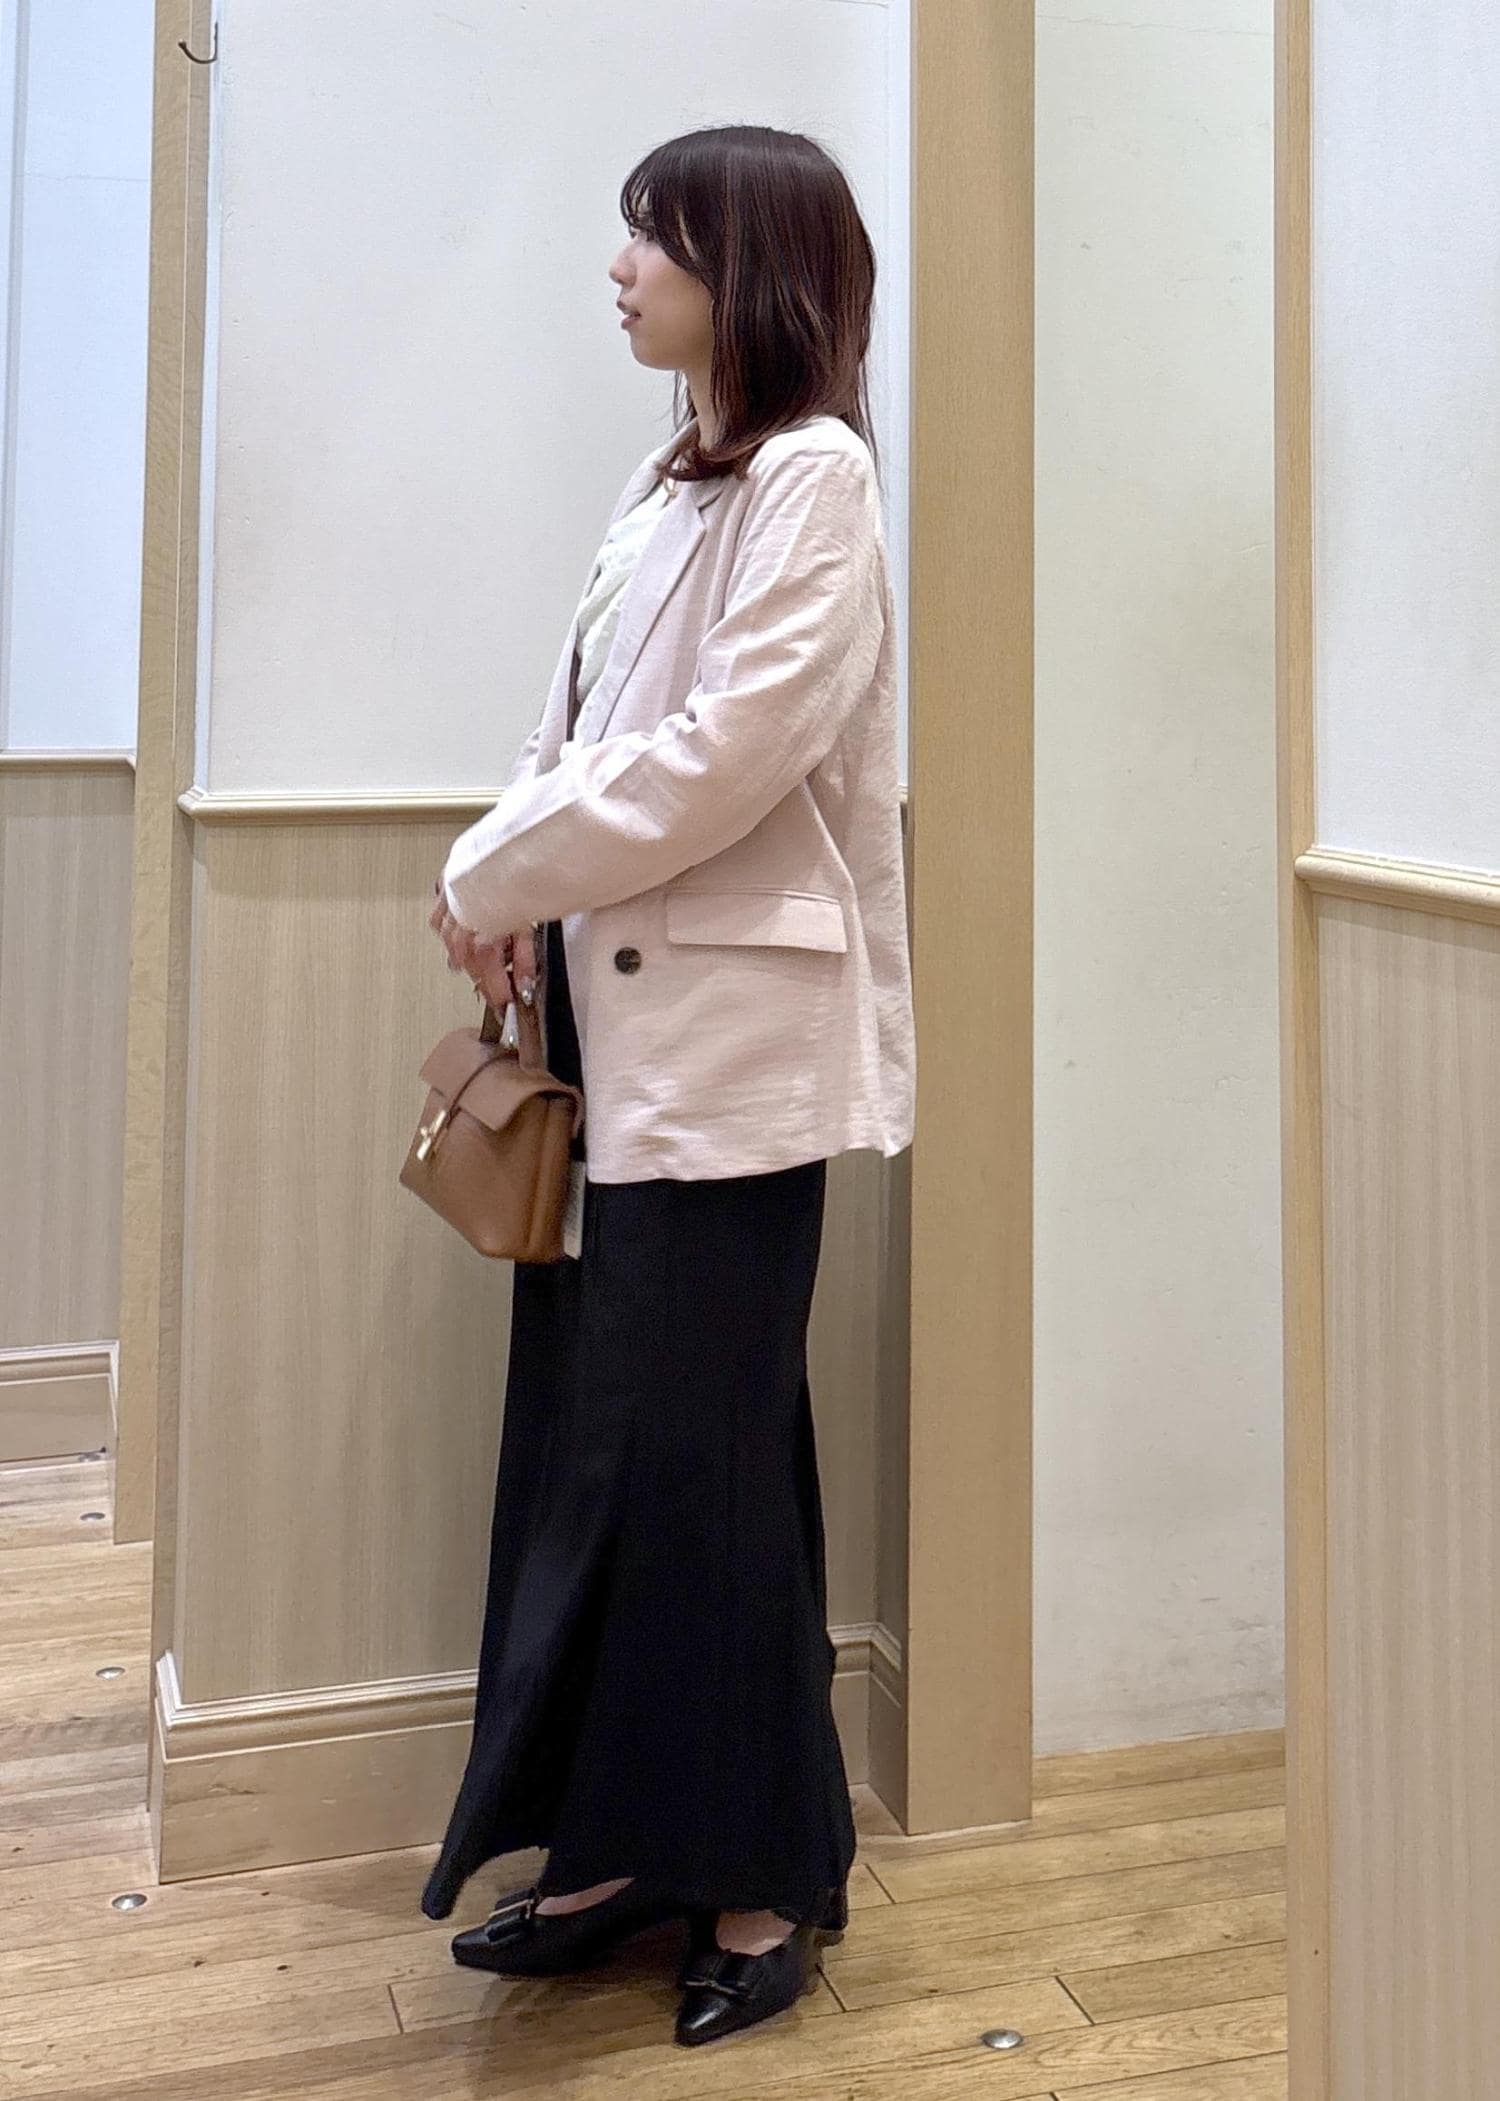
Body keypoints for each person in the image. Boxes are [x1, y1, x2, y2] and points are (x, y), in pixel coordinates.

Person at [422, 122, 915, 2049]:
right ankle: (623, 1852)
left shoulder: (819, 479)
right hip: (612, 1038)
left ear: (750, 268)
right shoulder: (666, 481)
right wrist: (506, 893)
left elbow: (724, 753)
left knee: (704, 1474)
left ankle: (763, 1875)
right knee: (605, 1460)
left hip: (724, 1063)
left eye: (656, 238)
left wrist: (492, 872)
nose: (620, 269)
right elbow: (575, 734)